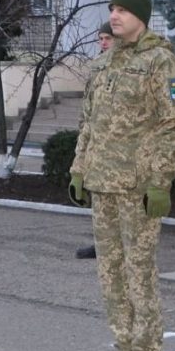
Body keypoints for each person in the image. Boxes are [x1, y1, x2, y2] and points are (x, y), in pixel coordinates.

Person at [68, 0, 175, 351]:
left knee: (139, 271)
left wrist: (160, 182)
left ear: (141, 15)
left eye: (122, 10)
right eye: (112, 9)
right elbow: (88, 122)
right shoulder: (103, 63)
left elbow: (174, 125)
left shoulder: (161, 62)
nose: (115, 16)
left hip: (137, 187)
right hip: (103, 183)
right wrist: (78, 169)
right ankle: (123, 347)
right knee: (111, 271)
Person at [75, 22, 116, 261]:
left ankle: (116, 244)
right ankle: (100, 242)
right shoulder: (97, 66)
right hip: (95, 141)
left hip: (117, 146)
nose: (103, 43)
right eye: (100, 38)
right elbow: (89, 104)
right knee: (98, 198)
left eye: (107, 38)